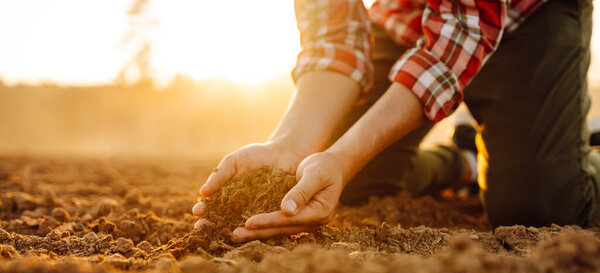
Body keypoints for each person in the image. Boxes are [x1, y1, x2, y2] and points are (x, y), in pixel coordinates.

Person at [193, 0, 597, 242]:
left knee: (541, 205)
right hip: (408, 18)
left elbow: (463, 28)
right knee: (344, 184)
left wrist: (343, 156)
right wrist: (291, 145)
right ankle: (463, 165)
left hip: (527, 22)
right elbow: (333, 40)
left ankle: (577, 153)